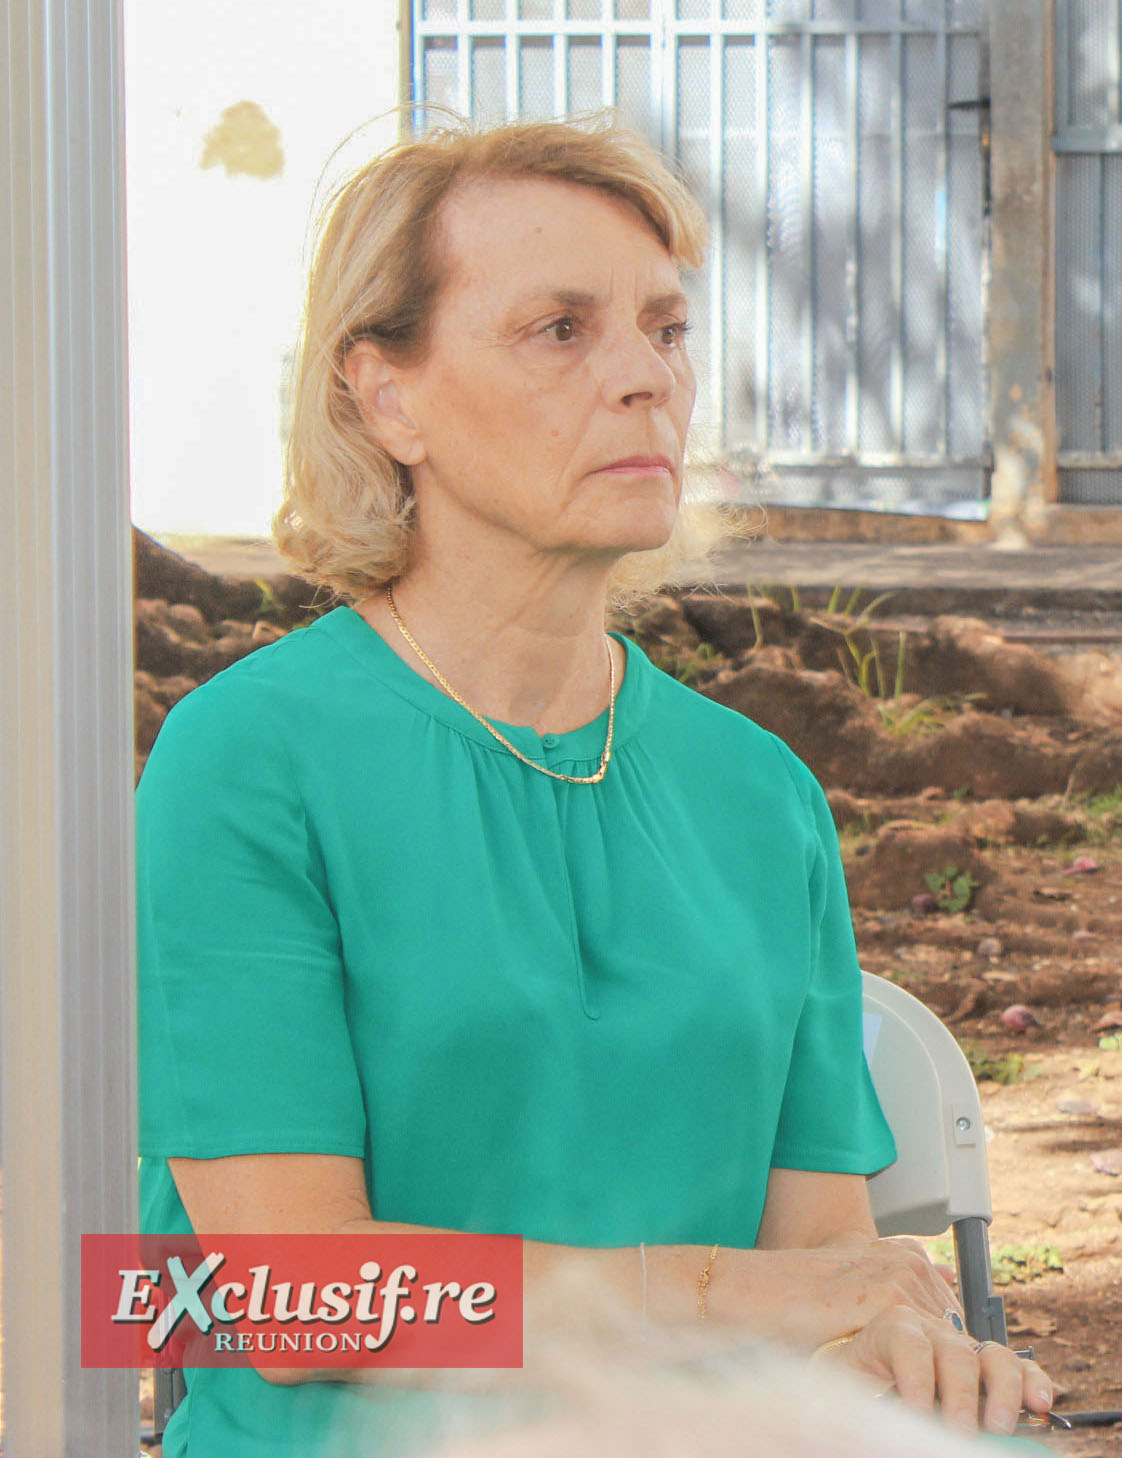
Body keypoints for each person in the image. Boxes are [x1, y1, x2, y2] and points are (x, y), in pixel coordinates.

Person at [136, 116, 1055, 1457]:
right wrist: (725, 1289)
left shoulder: (762, 795)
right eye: (559, 328)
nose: (645, 378)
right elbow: (289, 1294)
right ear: (387, 396)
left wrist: (893, 1336)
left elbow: (825, 1259)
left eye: (666, 328)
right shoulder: (248, 759)